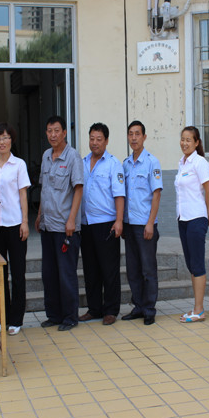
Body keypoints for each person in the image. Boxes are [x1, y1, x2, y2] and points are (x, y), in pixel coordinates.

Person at [36, 116, 84, 331]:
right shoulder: (46, 156)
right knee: (49, 274)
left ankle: (70, 317)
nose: (53, 135)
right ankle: (53, 315)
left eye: (56, 130)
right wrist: (39, 215)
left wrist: (72, 219)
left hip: (65, 227)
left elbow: (78, 189)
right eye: (49, 131)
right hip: (48, 225)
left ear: (65, 133)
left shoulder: (73, 157)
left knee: (66, 274)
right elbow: (44, 189)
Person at [0, 123, 31, 336]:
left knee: (18, 274)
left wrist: (25, 222)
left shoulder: (19, 164)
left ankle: (16, 319)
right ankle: (1, 317)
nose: (1, 142)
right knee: (0, 274)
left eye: (5, 137)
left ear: (12, 140)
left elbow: (22, 194)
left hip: (15, 225)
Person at [79, 123, 125, 326]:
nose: (94, 143)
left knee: (109, 269)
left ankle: (111, 310)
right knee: (90, 269)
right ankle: (94, 308)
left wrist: (119, 221)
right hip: (86, 223)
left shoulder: (113, 164)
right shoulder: (82, 163)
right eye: (92, 139)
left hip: (106, 224)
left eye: (99, 139)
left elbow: (119, 194)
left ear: (106, 141)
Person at [122, 121, 162, 326]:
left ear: (144, 137)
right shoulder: (125, 164)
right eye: (131, 134)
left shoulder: (152, 162)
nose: (134, 138)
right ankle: (138, 306)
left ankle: (149, 309)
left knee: (148, 269)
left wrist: (150, 223)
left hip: (145, 225)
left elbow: (157, 194)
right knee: (133, 269)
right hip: (129, 224)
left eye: (137, 134)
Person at [175, 126, 209, 323]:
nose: (184, 143)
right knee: (191, 264)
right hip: (183, 219)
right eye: (182, 139)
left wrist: (208, 214)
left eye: (189, 140)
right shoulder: (182, 163)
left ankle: (199, 310)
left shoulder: (200, 162)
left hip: (196, 218)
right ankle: (196, 307)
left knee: (197, 263)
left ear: (197, 142)